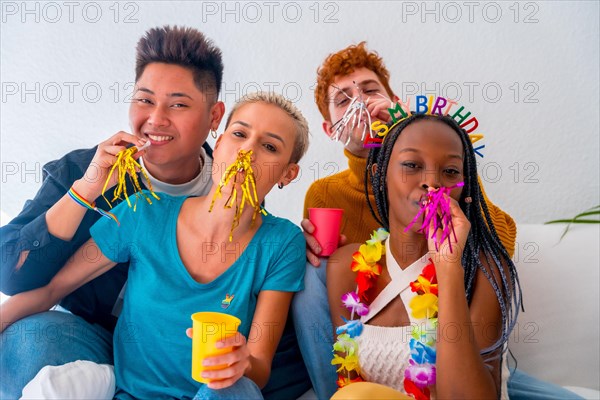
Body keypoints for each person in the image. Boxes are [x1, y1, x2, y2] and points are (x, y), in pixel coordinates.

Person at [0, 26, 310, 400]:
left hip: (213, 388)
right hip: (108, 356)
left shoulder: (279, 238)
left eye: (178, 104)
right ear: (224, 137)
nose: (157, 119)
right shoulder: (137, 208)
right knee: (34, 349)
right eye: (240, 135)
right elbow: (37, 282)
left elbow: (258, 365)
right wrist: (86, 189)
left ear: (214, 120)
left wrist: (242, 362)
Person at [294, 43, 581, 400]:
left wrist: (446, 256)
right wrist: (303, 246)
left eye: (369, 90)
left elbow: (498, 239)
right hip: (377, 325)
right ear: (329, 127)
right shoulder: (326, 196)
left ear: (393, 99)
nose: (361, 103)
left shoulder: (461, 208)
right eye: (344, 100)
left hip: (458, 321)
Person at [327, 111, 520, 398]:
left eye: (451, 171)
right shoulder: (346, 266)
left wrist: (448, 267)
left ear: (465, 187)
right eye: (412, 164)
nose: (432, 181)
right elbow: (345, 374)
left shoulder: (486, 269)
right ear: (380, 174)